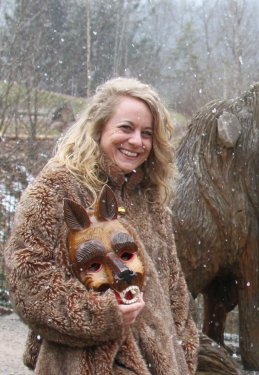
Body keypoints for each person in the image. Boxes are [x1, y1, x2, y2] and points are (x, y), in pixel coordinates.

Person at [3, 77, 199, 373]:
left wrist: (184, 348)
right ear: (99, 127)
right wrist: (103, 315)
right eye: (126, 128)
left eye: (147, 133)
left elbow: (174, 286)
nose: (137, 141)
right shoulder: (57, 188)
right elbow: (28, 279)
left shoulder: (149, 196)